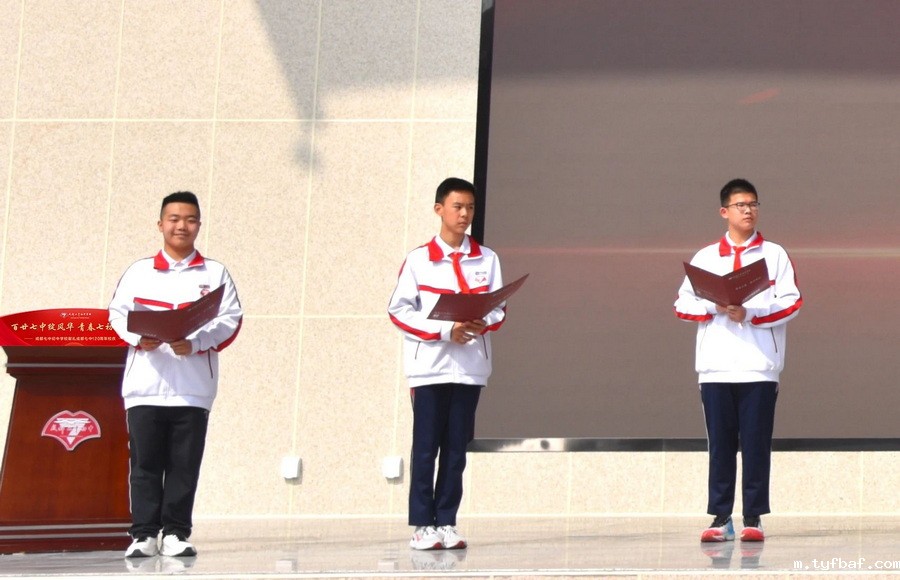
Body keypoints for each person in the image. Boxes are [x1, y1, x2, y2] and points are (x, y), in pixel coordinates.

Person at [108, 191, 242, 559]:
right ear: (160, 224)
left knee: (184, 465)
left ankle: (176, 534)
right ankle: (144, 535)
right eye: (174, 219)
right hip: (145, 385)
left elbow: (230, 319)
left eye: (190, 219)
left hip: (193, 387)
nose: (182, 226)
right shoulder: (138, 271)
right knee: (145, 464)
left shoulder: (215, 273)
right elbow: (116, 315)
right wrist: (139, 338)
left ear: (198, 225)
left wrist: (196, 342)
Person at [674, 178, 802, 543]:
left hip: (759, 366)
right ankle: (720, 517)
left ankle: (754, 518)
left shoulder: (774, 254)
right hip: (716, 366)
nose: (748, 211)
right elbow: (682, 304)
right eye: (741, 205)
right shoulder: (705, 257)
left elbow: (792, 302)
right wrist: (713, 306)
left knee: (756, 444)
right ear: (724, 211)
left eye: (754, 204)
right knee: (721, 445)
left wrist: (751, 312)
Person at [388, 177, 507, 551]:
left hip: (470, 367)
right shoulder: (418, 260)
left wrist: (482, 321)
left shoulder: (487, 259)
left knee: (456, 450)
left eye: (470, 207)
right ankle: (423, 524)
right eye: (457, 207)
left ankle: (447, 522)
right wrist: (444, 330)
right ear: (439, 209)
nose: (464, 214)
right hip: (429, 367)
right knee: (426, 448)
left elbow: (499, 308)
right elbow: (398, 310)